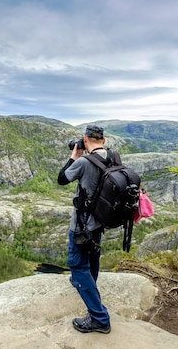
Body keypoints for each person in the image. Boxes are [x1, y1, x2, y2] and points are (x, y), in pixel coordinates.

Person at [57, 124, 111, 334]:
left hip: (81, 226)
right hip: (99, 224)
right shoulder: (113, 157)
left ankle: (99, 318)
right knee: (92, 260)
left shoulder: (83, 162)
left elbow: (62, 179)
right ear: (103, 141)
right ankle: (89, 285)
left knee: (78, 268)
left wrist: (73, 156)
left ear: (85, 139)